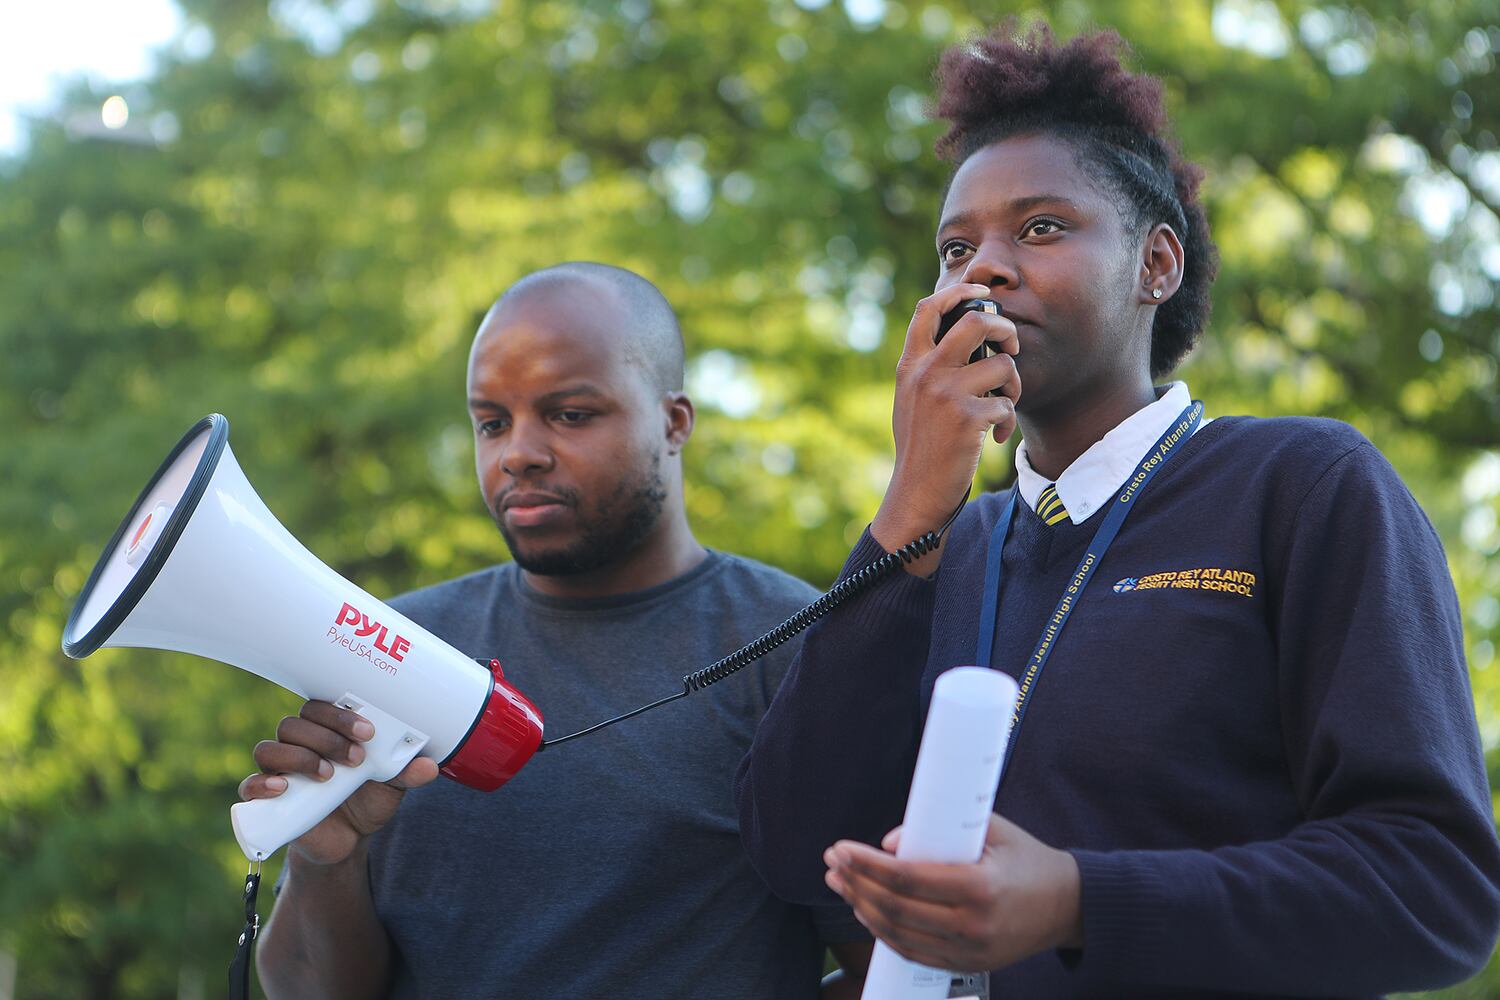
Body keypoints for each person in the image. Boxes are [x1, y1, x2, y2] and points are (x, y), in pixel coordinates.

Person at [735, 24, 1500, 997]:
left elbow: (1436, 889)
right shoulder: (944, 545)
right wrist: (911, 508)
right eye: (955, 247)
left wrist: (1076, 900)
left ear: (1157, 264)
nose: (986, 270)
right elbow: (797, 849)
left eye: (1042, 227)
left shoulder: (1301, 483)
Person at [242, 262, 871, 999]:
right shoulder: (396, 644)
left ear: (674, 422)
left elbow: (889, 971)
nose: (518, 453)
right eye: (491, 422)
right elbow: (304, 992)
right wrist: (326, 858)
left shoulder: (792, 649)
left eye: (570, 414)